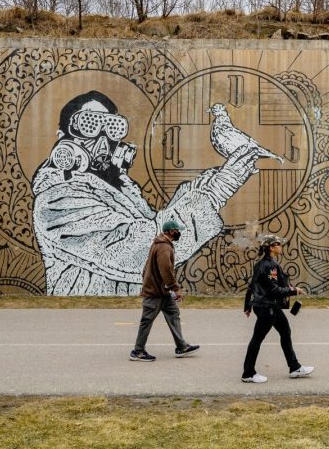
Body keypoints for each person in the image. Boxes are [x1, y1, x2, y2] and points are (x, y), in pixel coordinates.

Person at [32, 90, 263, 295]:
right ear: (63, 139)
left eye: (112, 128)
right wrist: (214, 192)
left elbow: (159, 225)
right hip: (85, 323)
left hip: (124, 313)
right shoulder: (56, 200)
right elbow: (141, 245)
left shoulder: (119, 192)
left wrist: (208, 183)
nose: (102, 142)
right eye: (89, 125)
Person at [241, 235, 314, 383]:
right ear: (271, 247)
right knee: (257, 339)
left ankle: (294, 367)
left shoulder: (262, 264)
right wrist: (294, 290)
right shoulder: (269, 266)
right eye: (278, 244)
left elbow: (251, 285)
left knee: (285, 331)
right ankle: (248, 373)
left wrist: (247, 305)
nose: (281, 246)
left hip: (267, 306)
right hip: (266, 307)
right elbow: (274, 290)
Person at [130, 219, 199, 361]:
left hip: (162, 291)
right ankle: (138, 351)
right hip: (155, 292)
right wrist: (175, 288)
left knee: (173, 314)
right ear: (171, 231)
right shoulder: (163, 247)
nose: (179, 233)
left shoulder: (160, 244)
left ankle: (182, 346)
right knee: (147, 320)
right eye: (177, 230)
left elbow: (147, 266)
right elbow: (165, 270)